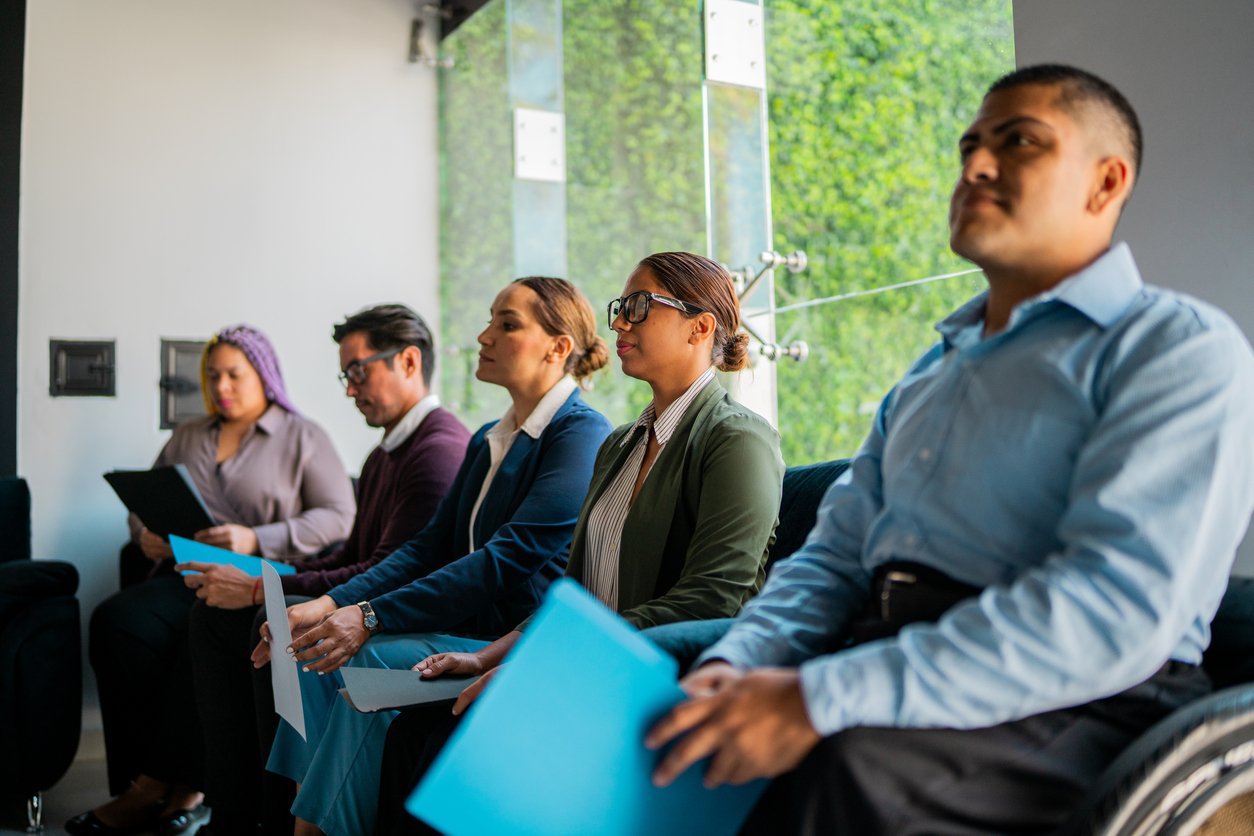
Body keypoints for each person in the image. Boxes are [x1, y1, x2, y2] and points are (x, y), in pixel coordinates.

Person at [643, 64, 1254, 835]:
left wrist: (816, 699)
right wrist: (738, 662)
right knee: (655, 728)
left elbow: (1111, 610)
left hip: (1085, 701)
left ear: (1105, 183)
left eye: (1019, 141)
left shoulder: (1177, 350)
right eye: (969, 145)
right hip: (890, 650)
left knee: (842, 764)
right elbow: (831, 562)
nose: (975, 165)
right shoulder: (931, 374)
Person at [373, 252, 786, 836]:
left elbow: (711, 603)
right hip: (589, 666)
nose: (619, 324)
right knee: (413, 731)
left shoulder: (737, 440)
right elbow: (576, 594)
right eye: (621, 309)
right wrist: (489, 657)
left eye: (639, 308)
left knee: (445, 741)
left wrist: (552, 665)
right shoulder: (619, 446)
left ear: (701, 326)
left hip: (661, 676)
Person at [257, 277, 616, 836]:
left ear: (559, 346)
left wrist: (371, 615)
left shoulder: (581, 436)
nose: (484, 335)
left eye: (507, 323)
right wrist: (330, 603)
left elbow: (504, 560)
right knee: (311, 649)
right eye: (490, 319)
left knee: (366, 664)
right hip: (461, 631)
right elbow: (425, 548)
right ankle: (306, 823)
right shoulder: (489, 440)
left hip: (515, 646)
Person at [182, 305, 471, 836]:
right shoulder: (390, 451)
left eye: (358, 371)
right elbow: (348, 558)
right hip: (377, 597)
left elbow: (390, 573)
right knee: (226, 617)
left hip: (403, 614)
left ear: (409, 361)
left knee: (272, 619)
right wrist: (267, 579)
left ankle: (266, 815)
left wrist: (257, 590)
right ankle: (236, 809)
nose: (348, 389)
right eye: (346, 375)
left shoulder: (437, 450)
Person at [71, 324, 357, 836]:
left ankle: (176, 787)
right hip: (184, 575)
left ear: (264, 376)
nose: (221, 386)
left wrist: (257, 537)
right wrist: (146, 536)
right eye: (212, 375)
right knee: (116, 624)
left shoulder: (303, 436)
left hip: (256, 578)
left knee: (198, 635)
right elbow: (143, 505)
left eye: (234, 374)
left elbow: (338, 517)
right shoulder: (187, 434)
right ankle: (135, 782)